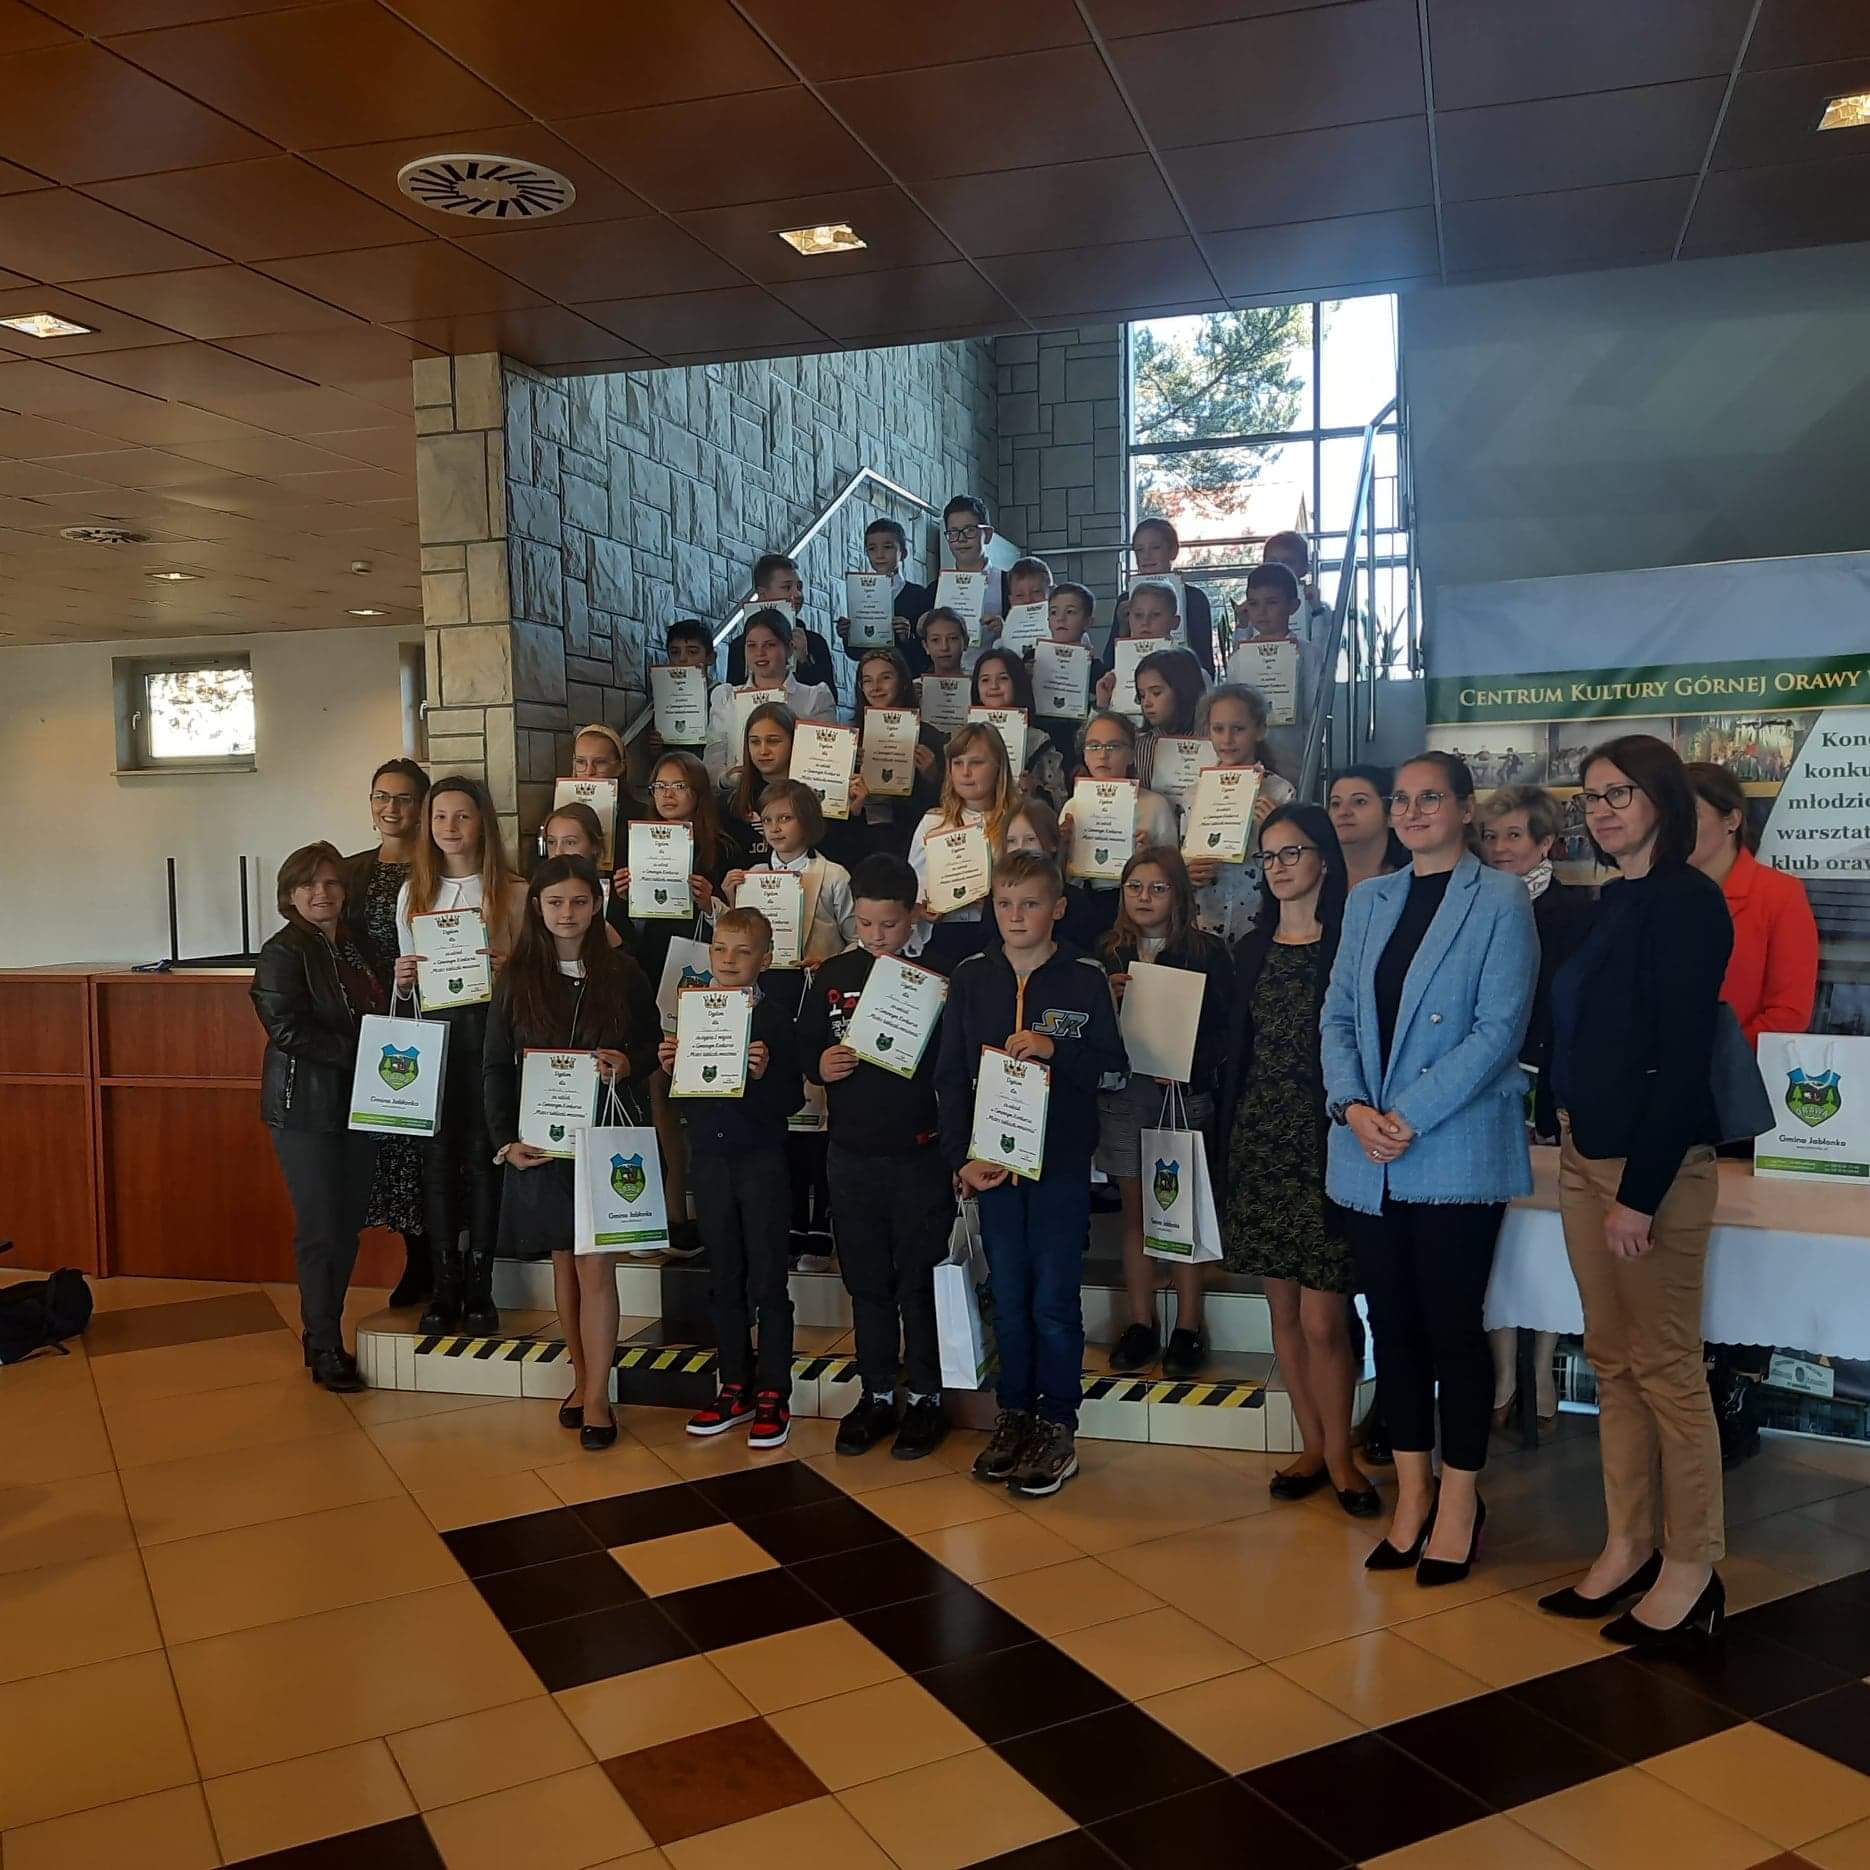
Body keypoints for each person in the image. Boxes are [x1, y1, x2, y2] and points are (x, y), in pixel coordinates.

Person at [1321, 752, 1537, 1584]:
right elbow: (1338, 1016)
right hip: (1368, 1150)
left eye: (1429, 798)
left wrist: (1408, 1114)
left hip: (1451, 1147)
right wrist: (1352, 1106)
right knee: (1393, 1328)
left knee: (1452, 1330)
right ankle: (1412, 1496)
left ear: (1465, 808)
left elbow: (1498, 1030)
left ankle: (1460, 1501)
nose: (1411, 812)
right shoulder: (1370, 900)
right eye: (1402, 800)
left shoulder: (1500, 898)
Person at [1540, 735, 1733, 1645]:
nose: (1602, 809)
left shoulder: (1689, 903)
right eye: (1592, 796)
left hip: (1649, 1172)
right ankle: (1627, 1545)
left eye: (1619, 793)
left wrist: (1641, 1197)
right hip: (1586, 1157)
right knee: (1612, 1364)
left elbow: (1683, 1064)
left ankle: (1692, 1565)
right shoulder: (1611, 901)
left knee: (1666, 1370)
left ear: (1663, 800)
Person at [938, 850, 1127, 1496]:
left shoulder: (1083, 975)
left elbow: (1114, 1069)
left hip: (1060, 1169)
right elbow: (950, 1077)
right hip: (993, 1171)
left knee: (1053, 1301)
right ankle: (1014, 1414)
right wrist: (960, 1158)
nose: (1016, 916)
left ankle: (1058, 1425)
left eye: (1030, 904)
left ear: (1058, 908)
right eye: (1004, 904)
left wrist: (1056, 1049)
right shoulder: (971, 977)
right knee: (1010, 1299)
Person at [1221, 805, 1379, 1516]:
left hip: (1327, 1142)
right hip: (1260, 1139)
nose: (1280, 866)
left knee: (1323, 1318)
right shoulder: (1251, 948)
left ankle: (1343, 1455)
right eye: (1269, 855)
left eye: (1293, 852)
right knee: (1281, 1308)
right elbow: (1234, 1048)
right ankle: (1312, 1445)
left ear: (1323, 859)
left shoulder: (1350, 941)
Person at [482, 856, 658, 1451]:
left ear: (597, 905)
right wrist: (504, 1141)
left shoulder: (624, 972)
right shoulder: (517, 977)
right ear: (537, 907)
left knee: (596, 1267)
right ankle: (581, 1380)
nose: (567, 913)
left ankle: (600, 1398)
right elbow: (494, 1066)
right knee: (565, 1265)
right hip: (543, 1144)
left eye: (579, 901)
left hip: (604, 1141)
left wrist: (629, 1063)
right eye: (555, 902)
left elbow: (651, 1043)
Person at [1686, 760, 1820, 1466]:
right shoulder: (1656, 893)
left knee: (1736, 1256)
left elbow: (1789, 1012)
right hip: (1663, 1107)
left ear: (1732, 818)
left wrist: (1706, 1062)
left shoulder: (1775, 895)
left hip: (1739, 1108)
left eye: (1689, 811)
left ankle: (1733, 1394)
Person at [801, 853, 952, 1460]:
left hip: (918, 1154)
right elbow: (806, 1044)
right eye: (865, 924)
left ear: (913, 916)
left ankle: (927, 1397)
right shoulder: (835, 974)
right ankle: (878, 1392)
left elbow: (954, 1064)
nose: (877, 936)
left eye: (889, 924)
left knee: (918, 1281)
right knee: (865, 1280)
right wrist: (820, 1064)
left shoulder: (936, 979)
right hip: (850, 1152)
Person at [1477, 783, 1596, 1428]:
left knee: (1546, 1232)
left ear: (1546, 843)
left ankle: (1544, 1365)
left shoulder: (1577, 911)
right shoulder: (1472, 901)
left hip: (1553, 1083)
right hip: (1486, 1084)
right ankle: (1501, 1370)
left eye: (1514, 836)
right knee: (1496, 1232)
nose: (1500, 848)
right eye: (1490, 836)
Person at [394, 776, 527, 1338]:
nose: (450, 827)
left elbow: (535, 978)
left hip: (490, 1038)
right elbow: (410, 984)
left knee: (484, 1157)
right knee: (438, 1163)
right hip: (436, 1040)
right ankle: (444, 1286)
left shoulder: (513, 892)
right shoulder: (414, 893)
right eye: (440, 817)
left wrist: (510, 971)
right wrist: (403, 980)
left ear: (482, 823)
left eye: (462, 816)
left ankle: (480, 1285)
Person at [667, 907, 803, 1449]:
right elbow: (688, 1100)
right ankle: (734, 1384)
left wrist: (765, 1075)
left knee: (768, 1278)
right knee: (723, 1277)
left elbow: (792, 1099)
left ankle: (774, 1390)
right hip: (711, 1161)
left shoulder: (777, 1020)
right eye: (720, 949)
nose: (728, 960)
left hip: (761, 1161)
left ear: (765, 959)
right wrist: (674, 1065)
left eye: (743, 952)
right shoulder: (692, 1011)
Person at [252, 842, 383, 1392]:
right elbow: (287, 1029)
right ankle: (324, 1342)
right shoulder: (283, 951)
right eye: (308, 884)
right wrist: (367, 1053)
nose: (321, 893)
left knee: (345, 1227)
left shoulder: (353, 945)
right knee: (320, 1228)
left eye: (331, 882)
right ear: (290, 894)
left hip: (360, 1103)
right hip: (304, 1109)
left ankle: (324, 1332)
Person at [1098, 848, 1231, 1379]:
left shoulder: (1207, 952)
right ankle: (1141, 1323)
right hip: (1124, 1094)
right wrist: (1105, 999)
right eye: (1134, 887)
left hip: (1182, 1094)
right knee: (1135, 1211)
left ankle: (1188, 1326)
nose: (1145, 898)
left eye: (1158, 888)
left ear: (1180, 894)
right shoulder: (1106, 953)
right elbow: (1084, 1029)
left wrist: (1190, 1065)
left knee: (1181, 1208)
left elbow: (1225, 1030)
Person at [615, 750, 743, 1259]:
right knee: (659, 1098)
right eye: (659, 787)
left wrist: (711, 901)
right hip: (651, 976)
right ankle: (671, 1213)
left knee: (705, 1096)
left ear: (699, 792)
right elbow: (623, 933)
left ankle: (719, 1215)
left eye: (679, 786)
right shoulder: (636, 844)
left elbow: (745, 924)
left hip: (705, 979)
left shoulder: (723, 847)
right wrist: (622, 897)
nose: (668, 796)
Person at [343, 758, 430, 1307]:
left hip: (430, 1021)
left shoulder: (439, 867)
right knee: (392, 1145)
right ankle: (413, 1255)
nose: (391, 808)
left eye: (403, 798)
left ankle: (440, 1258)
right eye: (381, 796)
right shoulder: (349, 871)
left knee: (431, 1146)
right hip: (372, 1027)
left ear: (421, 807)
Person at [909, 719, 1019, 975]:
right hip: (945, 937)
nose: (965, 772)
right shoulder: (933, 823)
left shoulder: (1017, 823)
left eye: (976, 763)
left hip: (1000, 937)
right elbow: (913, 886)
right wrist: (923, 909)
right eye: (957, 763)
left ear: (999, 767)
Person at [1186, 683, 1295, 944]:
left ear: (1260, 730)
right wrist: (1187, 873)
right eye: (1218, 729)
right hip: (1203, 920)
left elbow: (1296, 859)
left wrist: (1276, 828)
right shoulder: (1193, 793)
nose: (1227, 739)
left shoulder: (1281, 792)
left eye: (1238, 729)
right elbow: (1181, 856)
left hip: (1261, 920)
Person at [1059, 710, 1179, 935]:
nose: (1102, 755)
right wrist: (1062, 847)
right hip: (1082, 904)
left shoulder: (1155, 806)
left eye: (1113, 746)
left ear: (1132, 755)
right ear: (1084, 754)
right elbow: (1060, 874)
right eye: (1094, 746)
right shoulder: (1072, 807)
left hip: (1134, 905)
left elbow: (1174, 873)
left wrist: (1150, 856)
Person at [724, 779, 856, 971]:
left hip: (816, 979)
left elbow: (857, 938)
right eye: (767, 820)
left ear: (808, 821)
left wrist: (829, 965)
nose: (774, 828)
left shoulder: (834, 876)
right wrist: (733, 901)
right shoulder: (753, 875)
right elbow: (740, 938)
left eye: (785, 818)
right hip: (764, 977)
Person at [705, 609, 834, 783]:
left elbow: (824, 761)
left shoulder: (815, 698)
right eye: (751, 645)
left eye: (770, 645)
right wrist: (728, 780)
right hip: (736, 796)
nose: (760, 653)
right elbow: (713, 761)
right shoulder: (726, 697)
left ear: (789, 649)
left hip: (794, 795)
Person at [1227, 563, 1325, 783]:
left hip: (1293, 756)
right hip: (1247, 758)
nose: (1262, 612)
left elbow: (1313, 711)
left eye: (1272, 603)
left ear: (1293, 606)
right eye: (1254, 604)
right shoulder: (1239, 658)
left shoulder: (1308, 654)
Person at [851, 647, 945, 858]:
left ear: (903, 682)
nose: (876, 687)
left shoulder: (928, 736)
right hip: (861, 841)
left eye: (885, 678)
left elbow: (945, 803)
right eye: (867, 680)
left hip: (911, 840)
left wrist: (933, 776)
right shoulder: (851, 736)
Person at [972, 646, 1068, 810]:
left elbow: (1060, 798)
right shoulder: (965, 737)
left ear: (1017, 683)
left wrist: (1035, 791)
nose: (993, 686)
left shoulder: (1038, 740)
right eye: (985, 680)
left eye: (1003, 678)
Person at [836, 517, 936, 672]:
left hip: (908, 678)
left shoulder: (919, 596)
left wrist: (908, 637)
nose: (880, 555)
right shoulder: (861, 595)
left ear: (903, 553)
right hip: (872, 678)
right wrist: (848, 635)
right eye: (872, 549)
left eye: (888, 547)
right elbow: (856, 654)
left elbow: (928, 655)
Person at [725, 553, 836, 691]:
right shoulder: (739, 646)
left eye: (799, 587)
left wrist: (804, 661)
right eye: (787, 587)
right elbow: (733, 695)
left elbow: (830, 698)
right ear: (762, 594)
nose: (797, 594)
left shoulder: (815, 642)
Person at [1029, 582, 1109, 759]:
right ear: (1048, 620)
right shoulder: (1031, 660)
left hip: (1079, 750)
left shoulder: (1098, 671)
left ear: (1088, 622)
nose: (1060, 618)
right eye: (1053, 612)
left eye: (1070, 612)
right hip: (1038, 749)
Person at [1133, 516, 1215, 675]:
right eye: (1139, 550)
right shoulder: (1126, 600)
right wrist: (1123, 624)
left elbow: (1204, 658)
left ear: (1173, 551)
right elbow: (1111, 660)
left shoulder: (1195, 598)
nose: (1146, 556)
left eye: (1155, 548)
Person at [1328, 765, 1406, 892]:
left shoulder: (1408, 883)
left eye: (1360, 801)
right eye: (1335, 804)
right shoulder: (1314, 881)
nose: (1343, 812)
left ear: (1391, 812)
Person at [942, 494, 1008, 640]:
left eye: (970, 530)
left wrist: (1007, 631)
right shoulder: (934, 590)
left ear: (988, 534)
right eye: (953, 532)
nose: (961, 539)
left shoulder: (1009, 584)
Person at [1263, 530, 1330, 645]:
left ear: (1305, 568)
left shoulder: (1319, 607)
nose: (1279, 569)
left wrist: (1317, 610)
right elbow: (1239, 650)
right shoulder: (1255, 606)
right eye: (1272, 562)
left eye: (1288, 563)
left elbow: (1325, 648)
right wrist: (1242, 625)